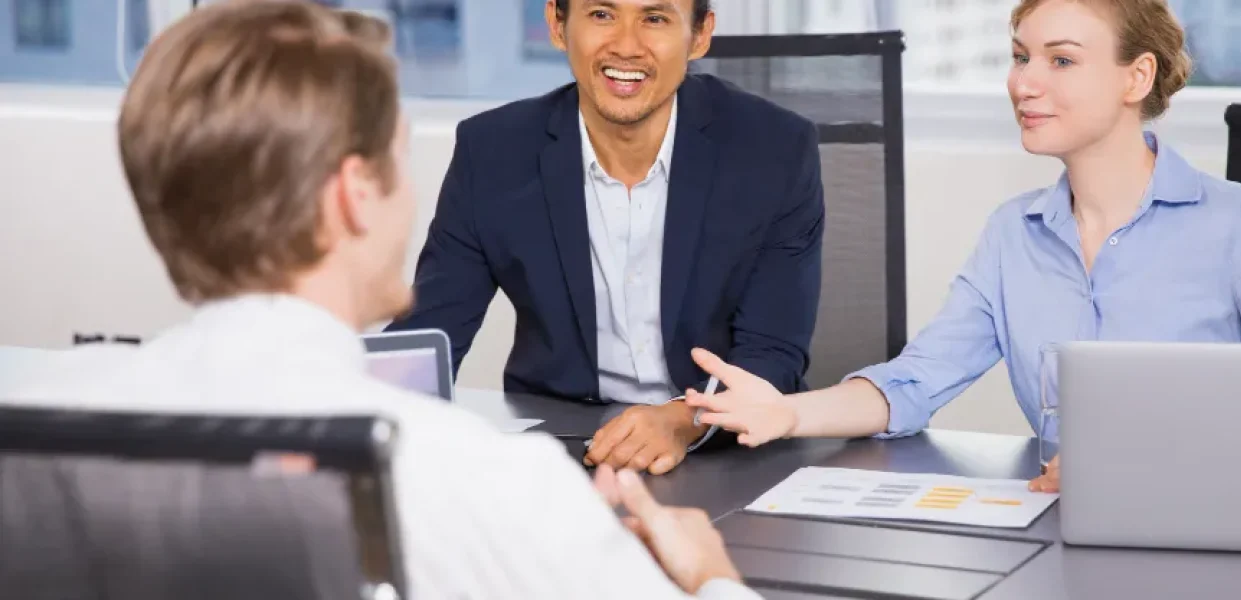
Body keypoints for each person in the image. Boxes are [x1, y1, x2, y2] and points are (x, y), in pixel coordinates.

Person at [6, 2, 759, 597]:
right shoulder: (496, 488)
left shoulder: (36, 422)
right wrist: (709, 575)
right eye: (401, 165)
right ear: (355, 196)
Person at [678, 0, 1241, 493]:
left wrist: (1142, 464)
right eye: (1021, 56)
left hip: (1212, 537)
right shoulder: (1011, 235)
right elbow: (914, 383)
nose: (1024, 83)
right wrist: (786, 412)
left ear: (1135, 78)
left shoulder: (1236, 228)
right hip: (1063, 536)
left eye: (1061, 60)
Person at [384, 0, 825, 475]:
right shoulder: (492, 152)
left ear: (699, 36)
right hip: (564, 447)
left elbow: (773, 353)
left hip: (726, 450)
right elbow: (428, 337)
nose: (626, 45)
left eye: (654, 18)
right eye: (601, 14)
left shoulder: (774, 149)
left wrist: (684, 418)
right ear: (557, 24)